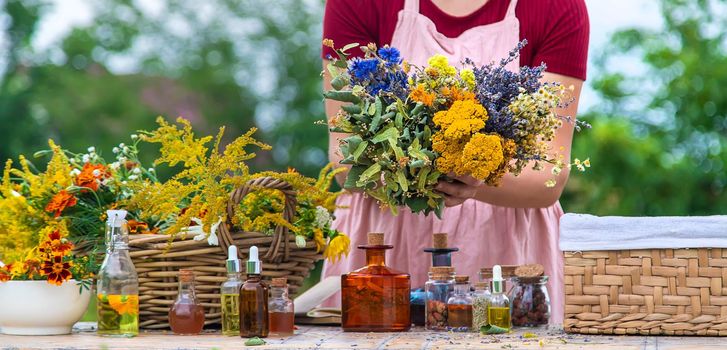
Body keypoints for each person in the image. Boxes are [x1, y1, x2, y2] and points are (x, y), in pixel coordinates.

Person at [321, 0, 589, 324]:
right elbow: (343, 156)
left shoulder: (556, 7)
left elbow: (548, 176)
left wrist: (470, 176)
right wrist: (421, 168)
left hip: (504, 249)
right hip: (383, 245)